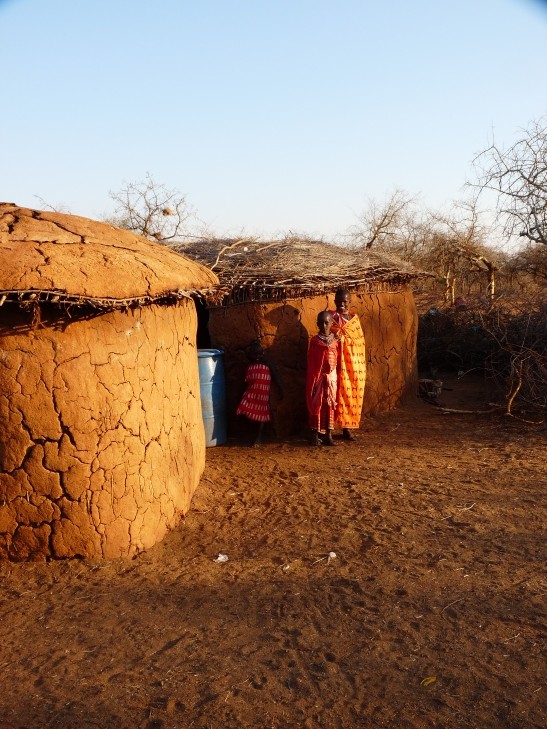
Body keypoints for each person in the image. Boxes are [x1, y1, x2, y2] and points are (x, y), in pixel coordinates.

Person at [330, 287, 366, 441]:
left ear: (349, 301)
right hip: (335, 364)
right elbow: (327, 336)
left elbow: (359, 342)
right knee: (331, 394)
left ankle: (347, 428)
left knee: (350, 393)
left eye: (344, 301)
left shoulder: (353, 321)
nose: (341, 304)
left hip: (351, 365)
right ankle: (328, 429)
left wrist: (344, 339)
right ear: (334, 301)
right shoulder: (331, 318)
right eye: (338, 301)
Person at [236, 341, 280, 447]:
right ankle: (250, 434)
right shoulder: (249, 366)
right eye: (254, 354)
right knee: (244, 407)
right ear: (250, 355)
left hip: (262, 396)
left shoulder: (267, 365)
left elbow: (276, 378)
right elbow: (245, 381)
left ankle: (258, 438)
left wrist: (281, 390)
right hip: (251, 394)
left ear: (263, 354)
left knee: (261, 415)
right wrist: (240, 393)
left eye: (259, 354)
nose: (257, 357)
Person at [306, 310, 339, 446]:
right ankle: (314, 434)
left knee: (330, 404)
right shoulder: (315, 341)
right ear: (317, 324)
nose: (324, 326)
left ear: (331, 323)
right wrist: (314, 379)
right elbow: (312, 362)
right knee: (317, 404)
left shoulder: (336, 341)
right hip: (318, 377)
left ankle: (328, 435)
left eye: (326, 323)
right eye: (321, 323)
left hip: (331, 377)